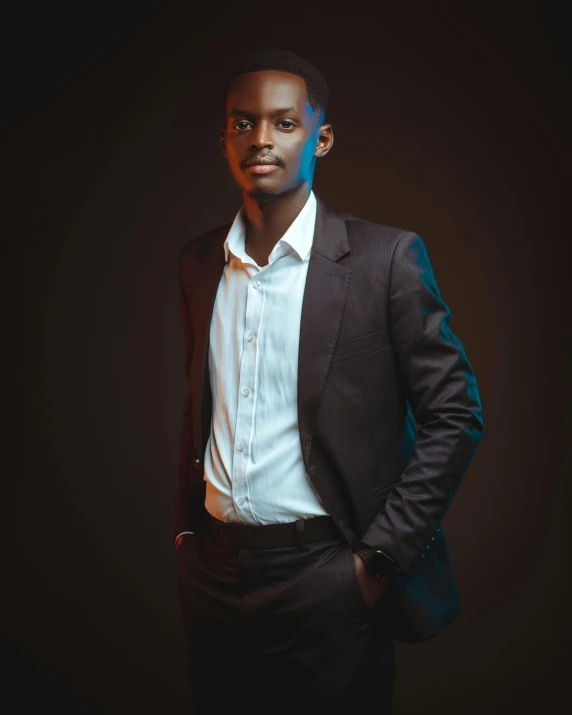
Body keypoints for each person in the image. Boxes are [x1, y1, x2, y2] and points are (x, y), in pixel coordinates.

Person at [173, 48, 484, 715]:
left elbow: (455, 413)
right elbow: (201, 407)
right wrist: (185, 536)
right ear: (224, 137)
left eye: (284, 123)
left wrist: (374, 563)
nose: (261, 139)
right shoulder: (200, 262)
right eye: (243, 123)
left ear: (323, 136)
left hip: (328, 573)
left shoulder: (385, 259)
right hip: (215, 576)